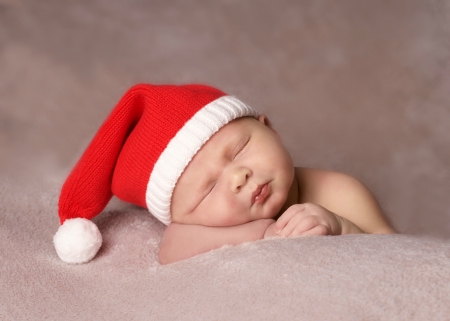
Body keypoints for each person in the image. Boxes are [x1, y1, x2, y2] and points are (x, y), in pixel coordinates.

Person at [53, 84, 394, 265]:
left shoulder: (339, 191)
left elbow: (396, 253)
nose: (238, 177)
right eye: (209, 188)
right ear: (183, 215)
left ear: (270, 129)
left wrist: (340, 227)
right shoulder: (192, 229)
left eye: (239, 149)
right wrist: (264, 234)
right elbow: (171, 250)